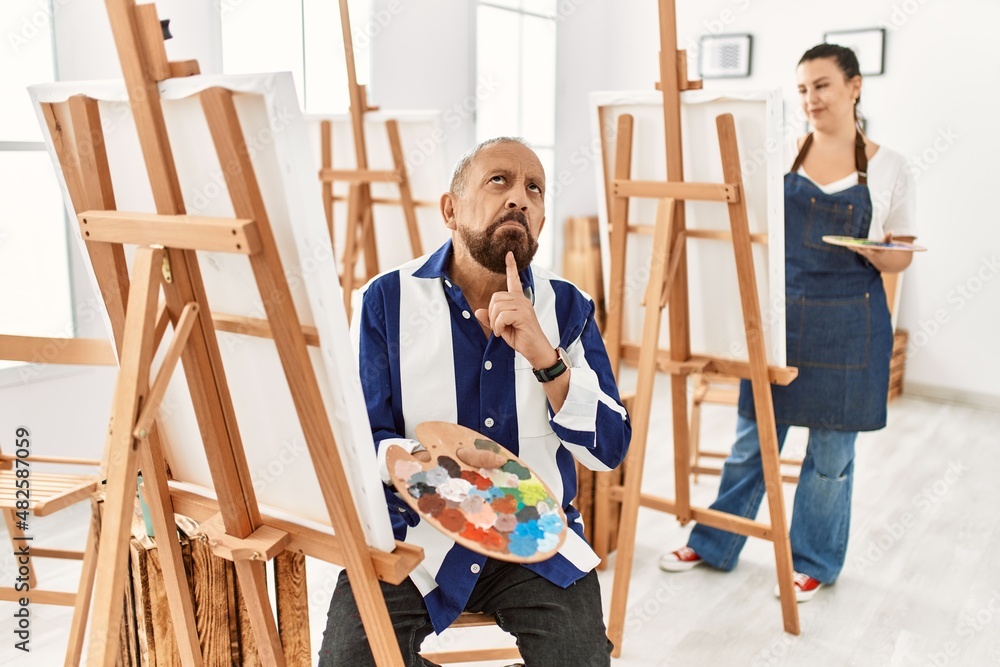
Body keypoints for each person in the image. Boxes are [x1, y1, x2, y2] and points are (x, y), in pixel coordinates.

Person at [319, 137, 631, 666]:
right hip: (415, 538)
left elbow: (610, 448)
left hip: (536, 544)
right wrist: (423, 468)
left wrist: (546, 359)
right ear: (450, 209)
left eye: (535, 188)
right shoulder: (386, 301)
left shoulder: (568, 307)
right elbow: (358, 438)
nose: (520, 198)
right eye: (499, 181)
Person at [659, 44, 917, 602]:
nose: (810, 99)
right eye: (802, 89)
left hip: (853, 327)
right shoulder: (779, 153)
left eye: (821, 85)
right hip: (783, 323)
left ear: (854, 87)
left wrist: (877, 252)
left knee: (830, 459)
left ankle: (814, 562)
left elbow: (902, 253)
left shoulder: (890, 165)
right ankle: (715, 541)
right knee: (753, 441)